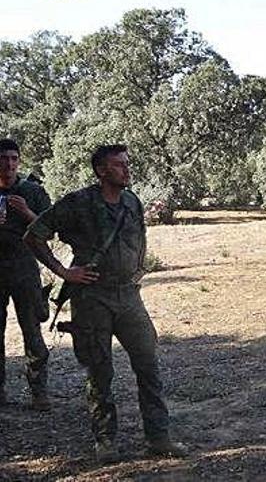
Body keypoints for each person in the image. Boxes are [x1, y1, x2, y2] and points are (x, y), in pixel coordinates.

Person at [23, 144, 186, 463]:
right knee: (100, 371)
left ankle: (159, 437)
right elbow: (34, 234)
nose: (127, 169)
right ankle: (105, 441)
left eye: (127, 163)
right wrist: (63, 271)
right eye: (119, 165)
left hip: (129, 297)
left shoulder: (131, 201)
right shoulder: (78, 202)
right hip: (92, 298)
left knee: (148, 366)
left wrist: (136, 272)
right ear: (101, 171)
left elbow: (138, 240)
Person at [0, 138, 51, 410]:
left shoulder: (32, 191)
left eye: (13, 159)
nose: (8, 164)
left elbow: (51, 229)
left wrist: (27, 212)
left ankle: (39, 390)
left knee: (32, 330)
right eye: (3, 158)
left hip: (24, 267)